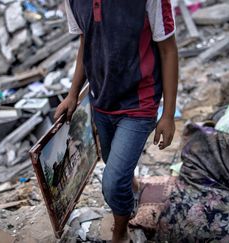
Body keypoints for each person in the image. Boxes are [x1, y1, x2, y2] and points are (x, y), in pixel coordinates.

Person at [55, 1, 179, 242]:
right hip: (101, 102)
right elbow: (86, 43)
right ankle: (134, 188)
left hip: (139, 102)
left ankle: (121, 232)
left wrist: (168, 115)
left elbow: (168, 50)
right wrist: (72, 95)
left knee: (112, 184)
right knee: (113, 164)